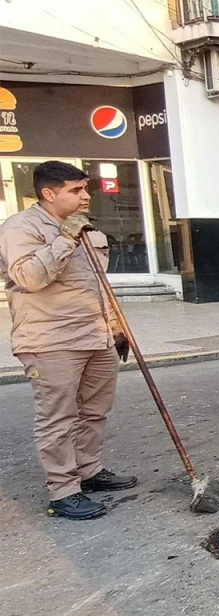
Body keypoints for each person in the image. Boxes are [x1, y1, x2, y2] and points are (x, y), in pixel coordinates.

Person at [0, 161, 135, 520]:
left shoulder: (86, 229)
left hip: (96, 335)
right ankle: (63, 492)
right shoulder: (21, 228)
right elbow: (29, 277)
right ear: (49, 193)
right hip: (50, 340)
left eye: (84, 189)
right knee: (58, 418)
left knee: (94, 410)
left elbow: (96, 286)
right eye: (75, 191)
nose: (85, 196)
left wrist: (116, 327)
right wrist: (65, 238)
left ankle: (88, 472)